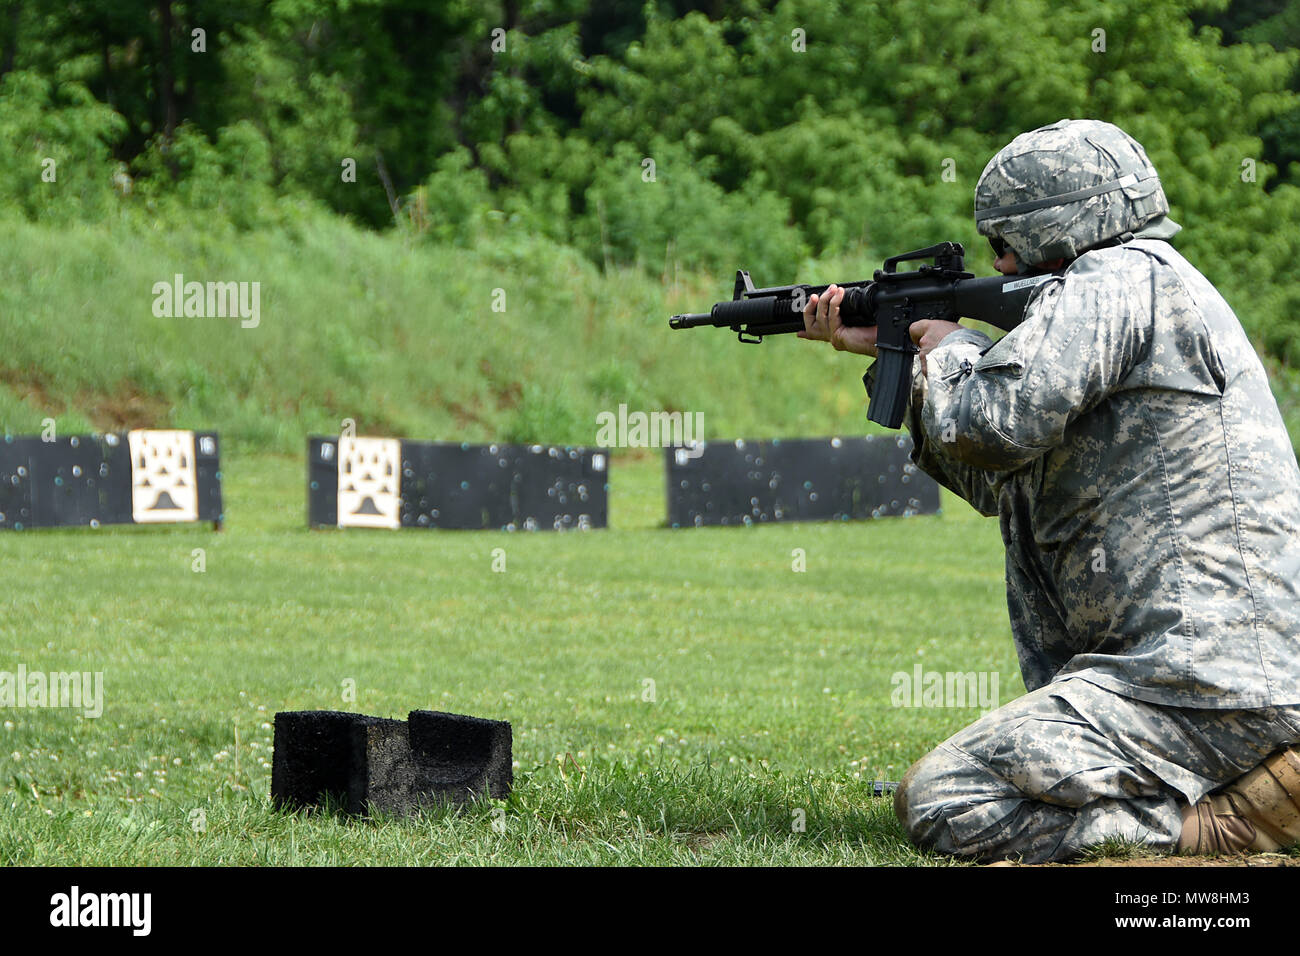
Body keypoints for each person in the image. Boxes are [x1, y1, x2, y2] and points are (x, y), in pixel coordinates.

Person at [799, 118, 1300, 863]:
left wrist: (955, 347)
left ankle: (1226, 827)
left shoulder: (1117, 280)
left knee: (946, 796)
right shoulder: (1145, 290)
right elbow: (999, 478)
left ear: (1057, 225)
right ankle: (1257, 785)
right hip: (1205, 674)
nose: (998, 260)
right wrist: (901, 362)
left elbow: (990, 425)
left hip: (1195, 681)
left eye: (1005, 241)